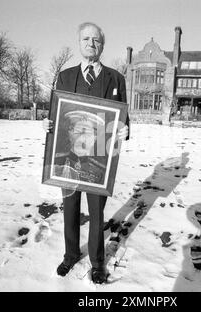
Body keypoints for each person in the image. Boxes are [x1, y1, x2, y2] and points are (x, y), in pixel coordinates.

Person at [43, 22, 129, 284]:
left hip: (99, 158)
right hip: (68, 156)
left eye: (96, 40)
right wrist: (48, 124)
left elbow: (124, 116)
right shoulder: (65, 76)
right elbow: (56, 113)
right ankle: (70, 255)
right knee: (70, 207)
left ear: (102, 45)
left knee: (96, 213)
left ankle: (97, 262)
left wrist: (125, 129)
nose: (91, 44)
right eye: (86, 39)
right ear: (79, 43)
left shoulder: (117, 78)